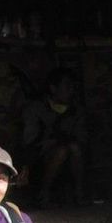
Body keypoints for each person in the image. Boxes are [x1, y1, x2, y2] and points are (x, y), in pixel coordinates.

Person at [20, 67, 89, 207]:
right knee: (61, 151)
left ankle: (79, 194)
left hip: (71, 161)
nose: (71, 91)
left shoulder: (76, 111)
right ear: (53, 88)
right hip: (40, 160)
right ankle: (43, 194)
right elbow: (29, 140)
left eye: (73, 87)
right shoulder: (35, 109)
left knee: (73, 148)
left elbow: (82, 138)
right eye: (67, 87)